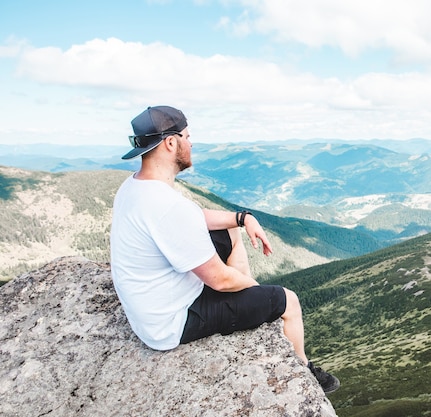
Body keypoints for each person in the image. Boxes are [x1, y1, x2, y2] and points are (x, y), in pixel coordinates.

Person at [109, 105, 339, 394]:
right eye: (187, 137)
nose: (191, 144)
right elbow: (220, 280)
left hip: (154, 307)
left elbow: (193, 216)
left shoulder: (136, 187)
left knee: (228, 229)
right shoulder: (165, 206)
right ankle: (304, 371)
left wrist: (241, 218)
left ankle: (243, 302)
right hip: (172, 322)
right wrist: (256, 291)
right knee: (288, 301)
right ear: (170, 142)